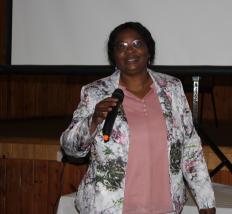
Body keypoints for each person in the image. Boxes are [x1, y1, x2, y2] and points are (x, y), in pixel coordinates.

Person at [60, 22, 216, 214]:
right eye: (121, 46)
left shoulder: (172, 88)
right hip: (109, 208)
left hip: (164, 207)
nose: (130, 51)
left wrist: (205, 199)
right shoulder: (95, 92)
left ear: (149, 50)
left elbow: (190, 147)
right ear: (114, 57)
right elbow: (71, 150)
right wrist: (92, 121)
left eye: (137, 44)